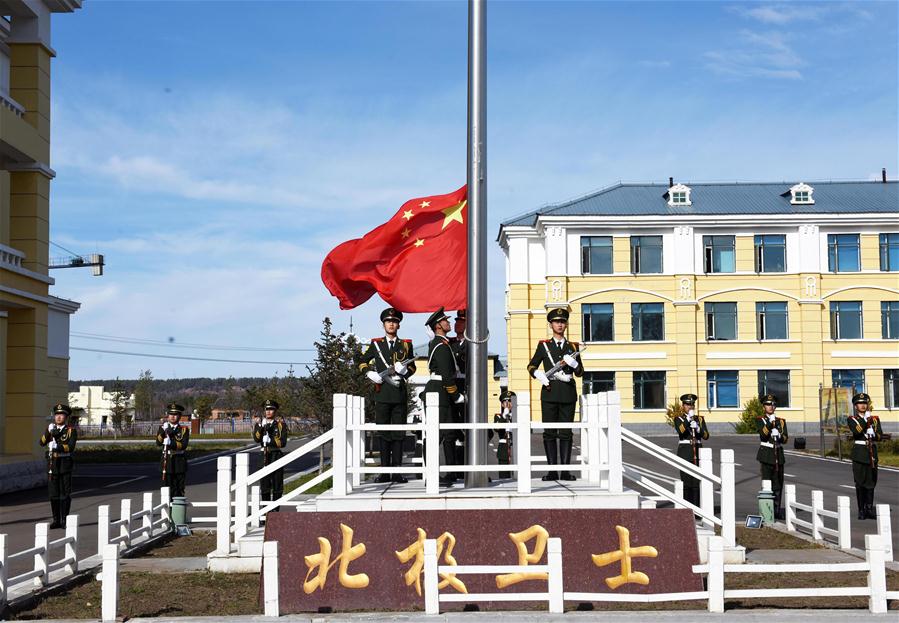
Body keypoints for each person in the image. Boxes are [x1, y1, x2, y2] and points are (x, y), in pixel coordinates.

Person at [358, 307, 416, 483]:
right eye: (388, 321)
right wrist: (369, 373)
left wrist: (405, 370)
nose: (391, 324)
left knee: (398, 433)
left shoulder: (406, 344)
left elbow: (413, 367)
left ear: (398, 325)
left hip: (398, 393)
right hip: (382, 392)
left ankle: (397, 472)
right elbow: (361, 361)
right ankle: (384, 472)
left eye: (394, 322)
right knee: (383, 432)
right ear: (383, 324)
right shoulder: (376, 344)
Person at [527, 307, 583, 481]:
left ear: (566, 325)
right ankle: (552, 471)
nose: (560, 324)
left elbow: (581, 372)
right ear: (551, 324)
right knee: (550, 432)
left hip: (567, 393)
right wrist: (538, 375)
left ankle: (565, 471)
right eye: (557, 322)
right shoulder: (544, 345)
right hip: (550, 393)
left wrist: (574, 364)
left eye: (563, 322)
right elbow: (531, 365)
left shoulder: (572, 346)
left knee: (566, 432)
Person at [424, 307, 464, 486]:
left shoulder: (443, 343)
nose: (449, 323)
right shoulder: (441, 345)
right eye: (445, 321)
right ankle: (431, 474)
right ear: (438, 326)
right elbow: (447, 375)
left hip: (441, 392)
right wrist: (456, 395)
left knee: (448, 433)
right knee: (436, 434)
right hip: (440, 392)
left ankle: (448, 473)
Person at [39, 403, 77, 529]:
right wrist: (48, 432)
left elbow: (70, 447)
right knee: (53, 494)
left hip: (65, 465)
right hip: (52, 465)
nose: (59, 417)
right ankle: (56, 520)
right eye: (57, 415)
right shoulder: (51, 428)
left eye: (61, 415)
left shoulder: (71, 430)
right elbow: (42, 442)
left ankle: (64, 520)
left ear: (66, 417)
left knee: (65, 493)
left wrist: (58, 446)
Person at [847, 392, 883, 520]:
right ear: (856, 406)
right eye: (860, 404)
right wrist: (865, 420)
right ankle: (861, 510)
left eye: (865, 403)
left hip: (871, 453)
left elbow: (880, 436)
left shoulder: (875, 419)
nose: (863, 406)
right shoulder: (852, 419)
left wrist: (874, 433)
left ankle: (869, 508)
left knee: (871, 482)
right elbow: (856, 431)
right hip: (859, 453)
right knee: (860, 482)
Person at [756, 394, 788, 520]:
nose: (771, 407)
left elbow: (785, 438)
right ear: (764, 406)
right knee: (767, 483)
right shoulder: (760, 420)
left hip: (778, 454)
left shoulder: (781, 421)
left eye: (773, 404)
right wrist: (770, 424)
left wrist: (779, 436)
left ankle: (777, 510)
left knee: (778, 484)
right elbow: (763, 435)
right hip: (766, 454)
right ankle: (766, 510)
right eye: (768, 404)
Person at [673, 393, 709, 508]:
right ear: (683, 406)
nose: (690, 407)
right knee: (687, 481)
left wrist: (698, 428)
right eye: (688, 404)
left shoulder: (700, 419)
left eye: (692, 404)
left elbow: (706, 436)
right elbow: (681, 431)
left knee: (697, 482)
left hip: (697, 451)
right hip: (685, 452)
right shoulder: (678, 419)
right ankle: (687, 509)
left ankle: (698, 509)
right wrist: (688, 420)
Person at [253, 399, 288, 508]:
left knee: (277, 486)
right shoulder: (260, 424)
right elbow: (256, 439)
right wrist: (260, 427)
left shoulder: (280, 425)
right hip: (264, 456)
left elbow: (282, 442)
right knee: (265, 486)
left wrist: (271, 441)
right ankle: (265, 513)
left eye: (271, 409)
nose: (268, 412)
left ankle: (275, 513)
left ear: (275, 411)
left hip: (275, 455)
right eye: (266, 409)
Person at [155, 403, 190, 497]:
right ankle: (168, 510)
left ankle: (177, 510)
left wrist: (172, 443)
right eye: (171, 414)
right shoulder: (163, 428)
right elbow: (158, 443)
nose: (173, 416)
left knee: (179, 488)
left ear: (179, 416)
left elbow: (184, 445)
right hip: (167, 462)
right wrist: (163, 433)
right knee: (167, 488)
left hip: (179, 461)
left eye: (175, 414)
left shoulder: (184, 430)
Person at [450, 310, 468, 477]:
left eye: (461, 321)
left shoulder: (471, 343)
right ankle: (455, 469)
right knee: (454, 428)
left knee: (467, 427)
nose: (457, 324)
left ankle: (468, 468)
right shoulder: (450, 343)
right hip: (453, 389)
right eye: (456, 321)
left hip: (466, 388)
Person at [494, 391, 515, 479]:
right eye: (505, 402)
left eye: (510, 401)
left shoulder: (517, 416)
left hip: (515, 446)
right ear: (502, 405)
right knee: (504, 477)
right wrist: (504, 415)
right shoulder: (498, 416)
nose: (507, 404)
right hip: (504, 447)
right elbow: (497, 428)